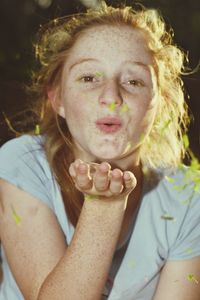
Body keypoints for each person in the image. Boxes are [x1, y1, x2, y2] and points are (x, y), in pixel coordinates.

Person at [0, 2, 200, 299]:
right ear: (58, 99)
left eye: (134, 81)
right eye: (89, 78)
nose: (111, 97)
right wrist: (104, 205)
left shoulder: (189, 197)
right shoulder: (22, 163)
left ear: (160, 106)